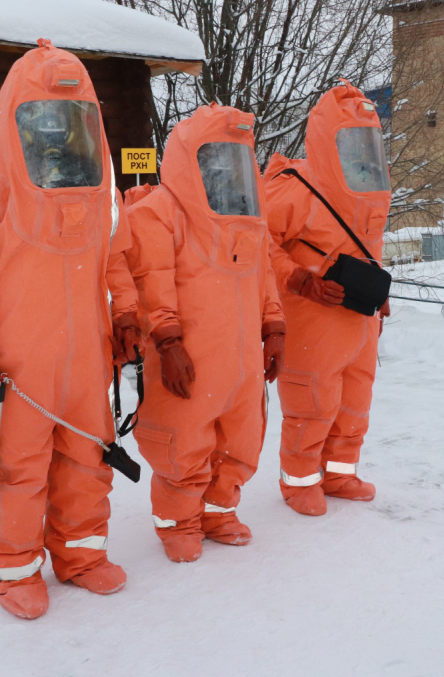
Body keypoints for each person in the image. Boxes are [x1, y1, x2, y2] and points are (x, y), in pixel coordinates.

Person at [0, 40, 140, 620]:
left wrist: (125, 316)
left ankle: (80, 556)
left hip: (86, 363)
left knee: (86, 460)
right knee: (16, 468)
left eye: (67, 117)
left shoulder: (102, 190)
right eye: (43, 116)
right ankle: (15, 568)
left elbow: (115, 259)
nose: (55, 130)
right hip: (13, 368)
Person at [125, 104, 285, 563]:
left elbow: (265, 274)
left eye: (233, 158)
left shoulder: (249, 216)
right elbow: (151, 283)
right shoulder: (158, 213)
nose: (224, 169)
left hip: (240, 364)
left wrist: (274, 327)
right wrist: (169, 342)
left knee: (241, 439)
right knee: (182, 439)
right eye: (215, 158)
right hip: (189, 358)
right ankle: (179, 520)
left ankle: (217, 511)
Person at [263, 80, 392, 516]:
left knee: (355, 400)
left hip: (360, 317)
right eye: (349, 139)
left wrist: (380, 290)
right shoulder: (294, 188)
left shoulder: (368, 183)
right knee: (311, 401)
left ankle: (339, 472)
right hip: (313, 317)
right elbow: (256, 241)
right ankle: (298, 480)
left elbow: (368, 242)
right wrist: (298, 279)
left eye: (363, 140)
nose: (358, 149)